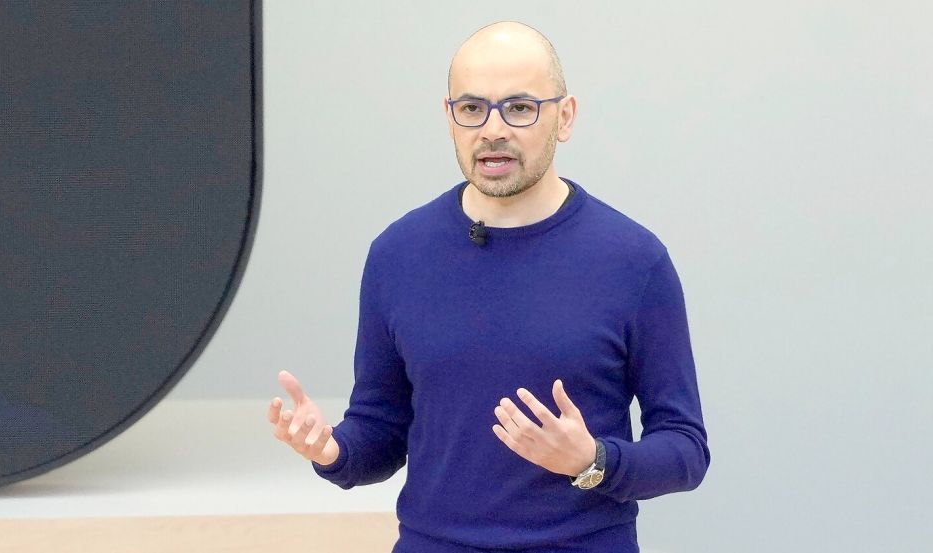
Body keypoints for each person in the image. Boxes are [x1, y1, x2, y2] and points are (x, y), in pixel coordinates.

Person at [266, 20, 710, 553]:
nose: (492, 129)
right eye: (472, 108)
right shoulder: (398, 255)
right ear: (449, 117)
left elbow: (685, 450)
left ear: (564, 117)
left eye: (520, 108)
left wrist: (593, 461)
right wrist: (331, 451)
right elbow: (380, 434)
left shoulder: (633, 261)